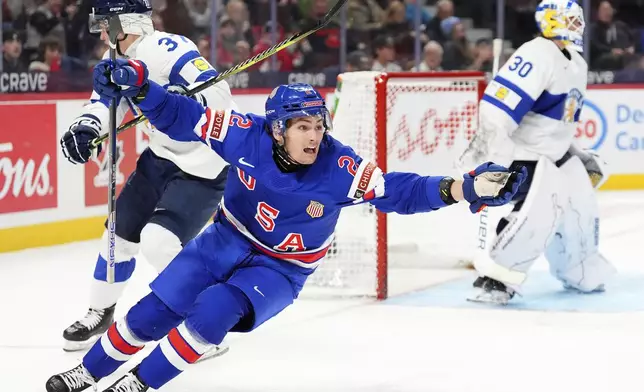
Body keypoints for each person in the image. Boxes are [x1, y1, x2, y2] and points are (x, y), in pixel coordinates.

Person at [45, 59, 527, 392]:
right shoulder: (242, 135)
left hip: (282, 269)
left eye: (318, 125)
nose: (314, 135)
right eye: (302, 126)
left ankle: (136, 384)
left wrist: (464, 188)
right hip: (225, 239)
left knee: (214, 310)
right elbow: (181, 114)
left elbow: (402, 191)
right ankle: (86, 374)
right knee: (153, 312)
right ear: (276, 128)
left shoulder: (340, 168)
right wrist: (138, 84)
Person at [58, 0, 234, 358]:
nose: (103, 34)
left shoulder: (169, 48)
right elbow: (103, 104)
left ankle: (204, 324)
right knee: (117, 236)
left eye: (106, 25)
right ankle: (100, 311)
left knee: (158, 241)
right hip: (160, 160)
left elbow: (219, 95)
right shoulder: (116, 63)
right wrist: (85, 128)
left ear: (124, 22)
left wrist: (176, 98)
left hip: (201, 167)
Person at [458, 0, 615, 305]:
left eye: (578, 20)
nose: (578, 26)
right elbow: (497, 109)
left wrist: (575, 153)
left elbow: (556, 123)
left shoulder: (577, 63)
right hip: (524, 156)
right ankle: (496, 277)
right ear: (551, 21)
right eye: (571, 20)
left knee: (581, 203)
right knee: (542, 209)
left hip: (553, 154)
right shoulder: (535, 53)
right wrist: (492, 156)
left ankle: (579, 268)